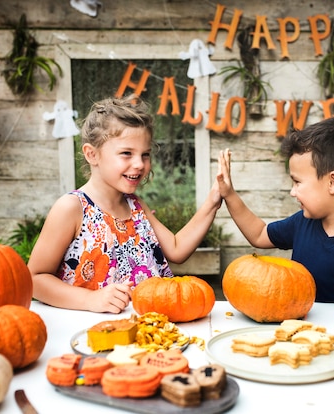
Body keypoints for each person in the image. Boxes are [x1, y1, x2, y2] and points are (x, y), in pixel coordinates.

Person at [28, 95, 222, 313]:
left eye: (145, 154)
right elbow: (35, 279)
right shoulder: (72, 208)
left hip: (146, 333)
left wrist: (213, 201)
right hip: (91, 333)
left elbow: (177, 250)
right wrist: (90, 300)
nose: (139, 164)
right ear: (92, 154)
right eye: (126, 153)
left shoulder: (136, 206)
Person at [217, 115, 334, 303]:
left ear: (333, 182)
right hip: (300, 331)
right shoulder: (302, 223)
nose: (292, 191)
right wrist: (229, 194)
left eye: (297, 182)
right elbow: (258, 234)